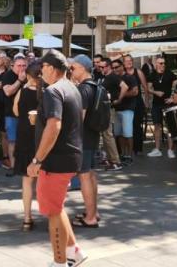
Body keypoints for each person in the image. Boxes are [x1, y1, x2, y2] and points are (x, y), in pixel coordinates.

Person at [27, 52, 87, 267]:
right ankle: (75, 252)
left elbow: (55, 126)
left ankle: (60, 261)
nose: (41, 71)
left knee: (53, 212)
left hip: (56, 161)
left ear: (51, 68)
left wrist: (37, 160)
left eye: (43, 67)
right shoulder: (72, 87)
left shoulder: (53, 91)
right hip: (70, 156)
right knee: (57, 207)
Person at [68, 54, 102, 228]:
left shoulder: (83, 89)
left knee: (84, 177)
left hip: (83, 138)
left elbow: (78, 118)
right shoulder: (94, 86)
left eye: (72, 67)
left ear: (81, 68)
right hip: (93, 136)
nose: (70, 70)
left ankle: (90, 217)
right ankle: (93, 212)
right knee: (90, 175)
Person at [12, 60, 43, 230]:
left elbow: (16, 111)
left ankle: (27, 218)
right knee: (44, 179)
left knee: (27, 181)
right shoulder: (47, 93)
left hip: (24, 137)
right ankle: (51, 213)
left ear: (29, 75)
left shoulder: (22, 92)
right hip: (42, 139)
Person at [2, 55, 28, 174]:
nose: (21, 68)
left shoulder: (29, 75)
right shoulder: (8, 76)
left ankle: (25, 165)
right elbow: (8, 92)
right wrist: (19, 81)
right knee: (12, 141)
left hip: (27, 114)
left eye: (24, 65)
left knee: (26, 140)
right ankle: (13, 167)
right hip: (11, 114)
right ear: (13, 66)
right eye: (19, 65)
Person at [107, 59, 136, 164]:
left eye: (117, 67)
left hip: (127, 108)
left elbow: (135, 92)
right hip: (116, 108)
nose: (115, 69)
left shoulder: (130, 77)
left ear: (122, 66)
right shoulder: (114, 78)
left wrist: (120, 96)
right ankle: (123, 153)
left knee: (128, 133)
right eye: (113, 67)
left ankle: (129, 155)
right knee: (119, 133)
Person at [95, 59, 122, 171]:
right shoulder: (105, 77)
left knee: (108, 134)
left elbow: (124, 86)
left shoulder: (113, 76)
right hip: (104, 108)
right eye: (99, 67)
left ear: (108, 67)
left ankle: (116, 161)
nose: (100, 69)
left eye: (102, 67)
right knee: (106, 135)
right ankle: (111, 160)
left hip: (108, 109)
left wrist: (118, 99)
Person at [147, 56, 175, 158]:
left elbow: (176, 86)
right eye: (160, 63)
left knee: (169, 127)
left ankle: (170, 149)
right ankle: (157, 149)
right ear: (156, 64)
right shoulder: (152, 75)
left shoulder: (169, 73)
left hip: (168, 103)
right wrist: (156, 92)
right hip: (156, 103)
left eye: (163, 63)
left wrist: (172, 97)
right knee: (157, 126)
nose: (163, 65)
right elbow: (148, 88)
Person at [123, 54, 149, 156]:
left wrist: (146, 101)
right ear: (124, 63)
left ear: (132, 61)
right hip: (126, 102)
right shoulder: (122, 73)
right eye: (126, 61)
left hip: (137, 102)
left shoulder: (138, 72)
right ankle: (127, 149)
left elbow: (145, 87)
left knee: (137, 125)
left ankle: (137, 148)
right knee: (127, 126)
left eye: (130, 60)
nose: (128, 62)